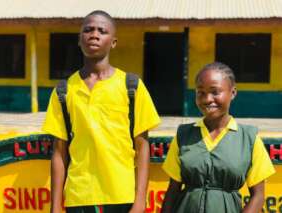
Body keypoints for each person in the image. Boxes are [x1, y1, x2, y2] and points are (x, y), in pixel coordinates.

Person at [43, 10, 160, 213]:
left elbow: (142, 148)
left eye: (102, 30)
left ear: (113, 42)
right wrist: (55, 207)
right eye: (88, 30)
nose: (94, 34)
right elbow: (59, 152)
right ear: (79, 40)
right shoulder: (64, 91)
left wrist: (140, 201)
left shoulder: (131, 86)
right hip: (79, 196)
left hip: (122, 195)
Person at [161, 62, 275, 213]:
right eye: (201, 92)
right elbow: (172, 192)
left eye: (215, 92)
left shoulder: (249, 139)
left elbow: (258, 196)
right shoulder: (183, 136)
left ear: (233, 92)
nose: (207, 99)